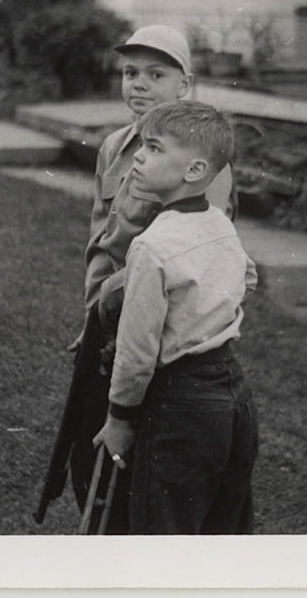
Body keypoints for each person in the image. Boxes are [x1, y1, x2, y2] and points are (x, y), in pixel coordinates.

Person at [34, 25, 233, 532]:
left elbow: (196, 253)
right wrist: (93, 314)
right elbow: (102, 238)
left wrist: (113, 306)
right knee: (87, 440)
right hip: (108, 320)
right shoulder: (114, 148)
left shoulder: (200, 164)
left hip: (157, 327)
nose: (138, 85)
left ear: (184, 84)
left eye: (156, 74)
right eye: (130, 73)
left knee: (137, 452)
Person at [93, 100, 259, 534]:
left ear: (194, 171)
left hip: (181, 404)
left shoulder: (151, 248)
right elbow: (248, 275)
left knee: (164, 530)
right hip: (234, 395)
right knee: (223, 527)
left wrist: (117, 420)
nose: (139, 157)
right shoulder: (219, 223)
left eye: (153, 147)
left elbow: (136, 352)